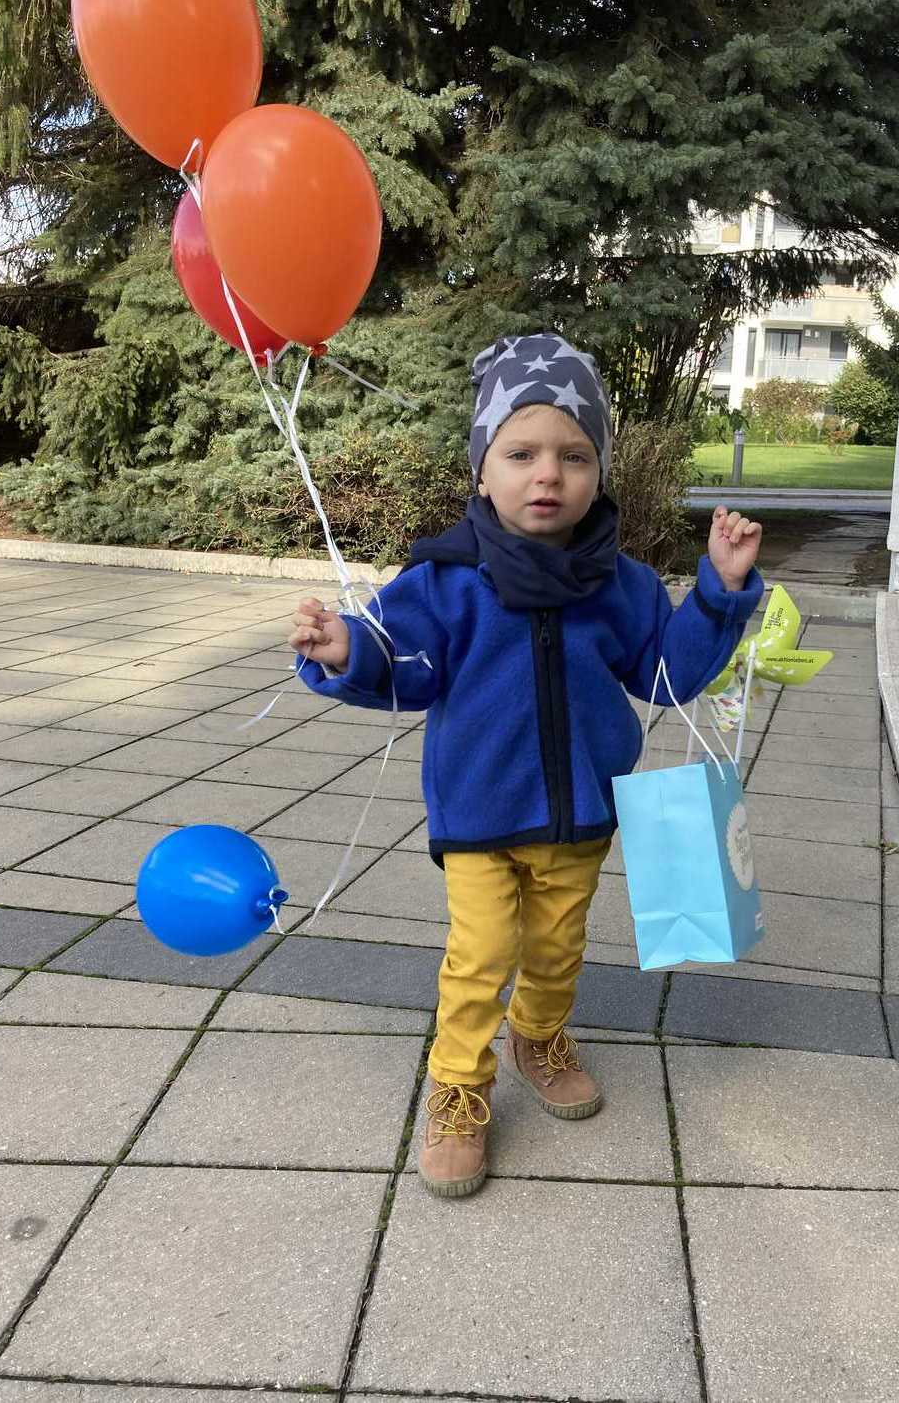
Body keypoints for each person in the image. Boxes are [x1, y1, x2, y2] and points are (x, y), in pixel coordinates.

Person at [289, 331, 763, 1198]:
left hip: (581, 812)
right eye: (520, 454)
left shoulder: (619, 582)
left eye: (573, 456)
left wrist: (718, 594)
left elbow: (664, 675)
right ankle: (457, 1087)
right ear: (482, 471)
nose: (547, 475)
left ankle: (537, 1037)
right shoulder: (442, 580)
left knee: (555, 947)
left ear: (598, 473)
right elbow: (403, 665)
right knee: (480, 953)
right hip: (479, 811)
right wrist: (345, 650)